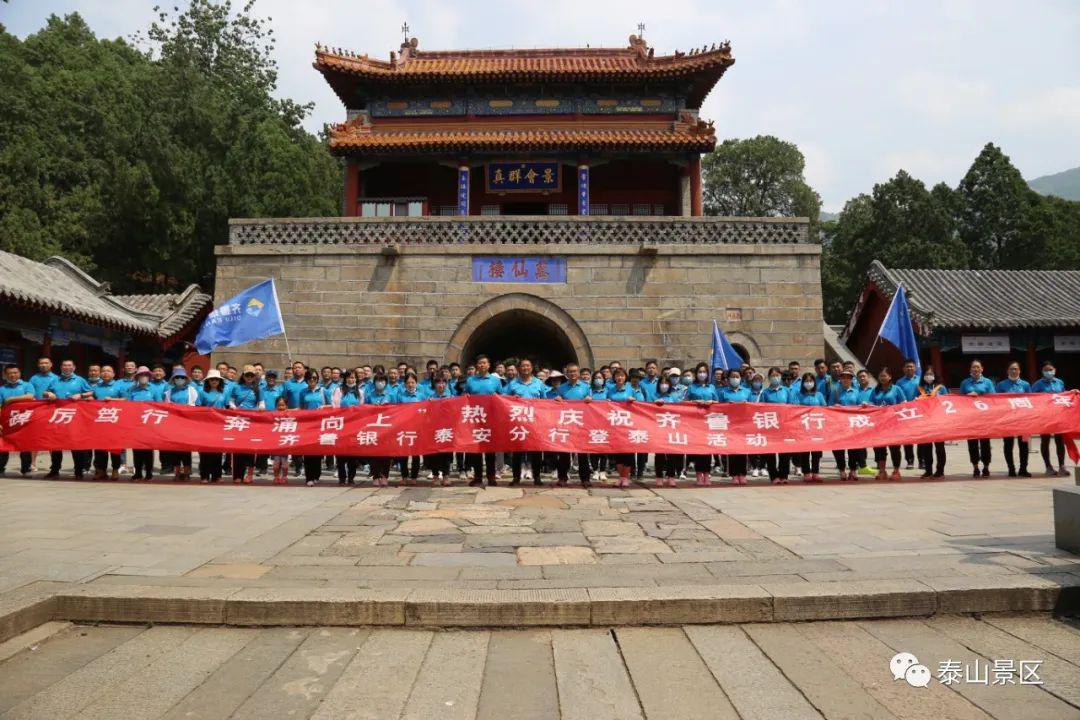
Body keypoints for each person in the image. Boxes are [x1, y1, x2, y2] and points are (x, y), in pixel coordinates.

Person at [42, 359, 94, 479]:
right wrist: (48, 394)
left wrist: (81, 395)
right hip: (58, 416)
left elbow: (91, 392)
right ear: (61, 367)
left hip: (75, 416)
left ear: (74, 367)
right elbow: (45, 392)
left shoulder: (80, 380)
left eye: (69, 365)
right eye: (64, 365)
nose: (67, 367)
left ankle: (78, 471)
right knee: (56, 444)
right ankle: (54, 470)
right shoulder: (55, 380)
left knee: (75, 444)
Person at [503, 358, 547, 486]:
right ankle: (516, 477)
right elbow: (503, 398)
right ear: (519, 368)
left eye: (528, 366)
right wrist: (511, 398)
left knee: (537, 452)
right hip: (518, 422)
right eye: (523, 366)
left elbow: (545, 402)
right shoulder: (513, 384)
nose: (525, 368)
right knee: (517, 452)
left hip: (535, 423)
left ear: (532, 368)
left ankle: (537, 477)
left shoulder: (539, 383)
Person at [463, 355, 503, 487]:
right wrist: (466, 396)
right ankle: (478, 477)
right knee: (476, 450)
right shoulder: (470, 380)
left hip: (491, 419)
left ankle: (491, 476)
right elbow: (465, 396)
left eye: (484, 363)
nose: (482, 365)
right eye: (479, 363)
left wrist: (497, 397)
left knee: (490, 450)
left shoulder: (495, 380)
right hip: (475, 420)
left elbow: (502, 398)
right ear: (477, 366)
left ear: (488, 365)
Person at [553, 363, 594, 487]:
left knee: (582, 454)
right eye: (570, 372)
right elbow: (557, 401)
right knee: (565, 453)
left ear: (578, 373)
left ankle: (585, 479)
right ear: (566, 374)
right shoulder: (561, 388)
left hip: (581, 423)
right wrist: (558, 400)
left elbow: (591, 401)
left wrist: (589, 399)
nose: (573, 374)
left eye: (575, 371)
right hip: (566, 424)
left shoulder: (586, 387)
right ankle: (562, 477)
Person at [866, 368, 906, 481]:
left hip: (893, 424)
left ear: (890, 377)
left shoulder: (897, 389)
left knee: (894, 448)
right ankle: (882, 470)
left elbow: (903, 403)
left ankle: (896, 470)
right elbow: (871, 402)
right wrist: (868, 405)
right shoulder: (875, 390)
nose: (882, 378)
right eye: (880, 376)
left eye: (884, 376)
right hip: (879, 424)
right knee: (879, 448)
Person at [606, 367, 643, 487]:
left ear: (625, 377)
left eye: (621, 375)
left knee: (628, 453)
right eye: (617, 376)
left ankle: (626, 477)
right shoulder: (610, 390)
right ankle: (620, 476)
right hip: (615, 425)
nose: (619, 378)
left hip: (628, 425)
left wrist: (634, 401)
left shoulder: (631, 389)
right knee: (618, 453)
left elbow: (641, 403)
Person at [1032, 361, 1070, 477]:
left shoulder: (1060, 382)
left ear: (1055, 370)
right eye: (1046, 370)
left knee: (1060, 441)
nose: (1049, 372)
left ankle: (1062, 466)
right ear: (1042, 371)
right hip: (1045, 417)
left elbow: (1064, 397)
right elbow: (1032, 399)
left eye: (1051, 369)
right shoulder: (1038, 384)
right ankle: (1048, 466)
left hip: (1059, 416)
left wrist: (1073, 393)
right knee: (1045, 441)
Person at [959, 359, 995, 477]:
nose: (975, 369)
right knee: (972, 444)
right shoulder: (965, 383)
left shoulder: (988, 382)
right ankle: (975, 467)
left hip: (984, 418)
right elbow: (959, 399)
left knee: (985, 443)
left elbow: (993, 399)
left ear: (982, 369)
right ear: (970, 369)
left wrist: (979, 396)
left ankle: (986, 466)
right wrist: (967, 396)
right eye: (973, 367)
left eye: (978, 367)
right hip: (970, 418)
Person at [227, 366, 263, 484]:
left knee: (251, 449)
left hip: (252, 422)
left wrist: (260, 408)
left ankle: (250, 474)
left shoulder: (257, 389)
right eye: (247, 375)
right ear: (243, 376)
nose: (249, 377)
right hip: (239, 421)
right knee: (238, 449)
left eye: (251, 375)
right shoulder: (236, 387)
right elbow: (231, 401)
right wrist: (233, 407)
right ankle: (238, 475)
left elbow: (261, 403)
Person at [996, 361, 1032, 477]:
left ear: (1019, 371)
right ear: (1007, 371)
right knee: (1008, 444)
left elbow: (1031, 400)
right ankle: (1011, 469)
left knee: (1024, 445)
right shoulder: (1001, 385)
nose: (1013, 371)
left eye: (1016, 369)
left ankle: (1023, 469)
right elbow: (996, 402)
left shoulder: (1026, 385)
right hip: (1008, 420)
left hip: (1023, 420)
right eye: (1011, 369)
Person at [685, 362, 719, 486]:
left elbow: (718, 402)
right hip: (696, 422)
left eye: (704, 372)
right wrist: (695, 401)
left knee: (708, 449)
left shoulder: (711, 387)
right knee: (699, 449)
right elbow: (685, 402)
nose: (702, 374)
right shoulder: (691, 387)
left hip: (708, 421)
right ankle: (699, 474)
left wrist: (712, 402)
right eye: (700, 372)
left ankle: (707, 474)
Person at [90, 365, 125, 480]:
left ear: (113, 374)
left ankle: (115, 470)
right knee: (100, 448)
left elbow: (126, 400)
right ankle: (101, 471)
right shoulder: (96, 387)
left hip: (115, 421)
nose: (105, 373)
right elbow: (92, 400)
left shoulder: (119, 386)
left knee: (115, 448)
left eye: (108, 371)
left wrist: (113, 400)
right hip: (100, 422)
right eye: (103, 371)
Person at [789, 371, 826, 482]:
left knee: (816, 452)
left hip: (816, 427)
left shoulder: (819, 395)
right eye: (806, 381)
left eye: (811, 381)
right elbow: (794, 408)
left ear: (814, 383)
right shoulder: (797, 394)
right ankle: (806, 472)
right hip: (803, 427)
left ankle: (816, 472)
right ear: (803, 383)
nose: (809, 383)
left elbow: (824, 408)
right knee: (805, 451)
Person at [164, 367, 199, 481]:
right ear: (173, 380)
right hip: (174, 423)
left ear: (186, 379)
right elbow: (166, 406)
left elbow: (195, 405)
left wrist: (185, 408)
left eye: (182, 377)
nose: (179, 379)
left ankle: (187, 471)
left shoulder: (191, 390)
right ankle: (177, 471)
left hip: (186, 422)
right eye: (177, 377)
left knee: (186, 449)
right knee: (175, 449)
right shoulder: (169, 392)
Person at [759, 367, 793, 484]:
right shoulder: (765, 392)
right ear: (769, 378)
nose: (775, 377)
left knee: (785, 452)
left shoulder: (786, 391)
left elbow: (792, 406)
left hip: (784, 425)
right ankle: (773, 476)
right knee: (771, 453)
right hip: (771, 425)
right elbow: (761, 408)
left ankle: (784, 475)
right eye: (773, 375)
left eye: (777, 375)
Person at [828, 369, 863, 481]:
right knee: (839, 448)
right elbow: (829, 406)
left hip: (852, 425)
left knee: (854, 448)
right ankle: (842, 470)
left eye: (848, 377)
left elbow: (860, 405)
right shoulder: (835, 391)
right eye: (843, 377)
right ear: (840, 379)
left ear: (851, 380)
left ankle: (853, 469)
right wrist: (835, 406)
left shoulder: (856, 392)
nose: (846, 379)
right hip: (839, 424)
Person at [718, 368, 751, 484]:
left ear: (741, 378)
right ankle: (734, 474)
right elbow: (718, 407)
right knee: (732, 450)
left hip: (743, 424)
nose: (735, 379)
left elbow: (752, 407)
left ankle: (743, 474)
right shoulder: (723, 392)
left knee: (742, 450)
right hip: (730, 424)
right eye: (733, 376)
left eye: (737, 376)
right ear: (728, 378)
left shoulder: (747, 391)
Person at [0, 364, 34, 476]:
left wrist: (11, 399)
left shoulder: (27, 385)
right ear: (5, 375)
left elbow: (30, 396)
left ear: (19, 373)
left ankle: (26, 469)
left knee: (25, 447)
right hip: (7, 422)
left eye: (15, 372)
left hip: (24, 421)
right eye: (10, 373)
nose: (12, 375)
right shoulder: (2, 389)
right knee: (3, 447)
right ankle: (1, 468)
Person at [125, 366, 158, 481]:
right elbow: (128, 405)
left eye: (145, 375)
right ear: (137, 377)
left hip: (150, 424)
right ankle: (138, 472)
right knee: (137, 449)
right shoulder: (132, 390)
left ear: (149, 377)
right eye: (141, 375)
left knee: (148, 449)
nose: (143, 377)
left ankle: (149, 472)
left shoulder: (154, 390)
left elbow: (160, 405)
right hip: (136, 424)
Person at [332, 369, 364, 486]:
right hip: (342, 426)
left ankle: (351, 477)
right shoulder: (339, 390)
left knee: (352, 455)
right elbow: (335, 407)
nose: (352, 380)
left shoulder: (360, 392)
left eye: (354, 378)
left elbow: (362, 408)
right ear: (345, 379)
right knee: (340, 455)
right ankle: (342, 477)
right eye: (350, 378)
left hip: (354, 427)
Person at [915, 366, 948, 478]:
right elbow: (912, 402)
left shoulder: (941, 388)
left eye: (931, 374)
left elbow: (947, 402)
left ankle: (940, 471)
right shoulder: (920, 388)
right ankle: (928, 470)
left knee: (939, 447)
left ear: (935, 376)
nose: (929, 376)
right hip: (925, 422)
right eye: (926, 374)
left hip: (938, 421)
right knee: (926, 448)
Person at [394, 373, 426, 486]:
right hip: (404, 427)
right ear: (405, 384)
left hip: (417, 428)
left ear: (416, 383)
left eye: (412, 382)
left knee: (415, 454)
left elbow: (425, 409)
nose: (410, 385)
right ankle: (404, 476)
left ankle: (414, 476)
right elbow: (396, 410)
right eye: (408, 383)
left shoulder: (421, 395)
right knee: (403, 454)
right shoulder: (401, 395)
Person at [298, 369, 329, 487]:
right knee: (307, 451)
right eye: (310, 378)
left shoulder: (323, 391)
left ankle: (316, 475)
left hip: (320, 424)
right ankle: (308, 477)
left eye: (315, 378)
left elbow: (331, 405)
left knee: (317, 451)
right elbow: (301, 407)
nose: (312, 380)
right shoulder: (303, 392)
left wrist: (323, 407)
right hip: (307, 425)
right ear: (307, 380)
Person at [364, 372, 395, 487]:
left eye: (382, 381)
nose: (380, 383)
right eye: (378, 381)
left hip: (387, 427)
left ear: (386, 383)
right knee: (374, 454)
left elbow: (396, 410)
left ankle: (384, 476)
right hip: (373, 427)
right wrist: (373, 408)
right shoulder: (370, 395)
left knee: (386, 454)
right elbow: (364, 409)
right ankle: (375, 476)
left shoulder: (390, 395)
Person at [197, 370, 227, 483]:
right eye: (212, 379)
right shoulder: (202, 392)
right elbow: (198, 407)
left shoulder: (223, 393)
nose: (214, 381)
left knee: (217, 452)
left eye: (216, 379)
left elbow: (226, 407)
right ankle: (204, 475)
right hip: (206, 425)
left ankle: (216, 475)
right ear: (208, 381)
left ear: (220, 381)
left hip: (218, 426)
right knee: (205, 452)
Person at [652, 374, 683, 487]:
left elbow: (679, 409)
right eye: (662, 383)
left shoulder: (673, 397)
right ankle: (659, 476)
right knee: (659, 454)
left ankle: (671, 476)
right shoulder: (653, 395)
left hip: (671, 428)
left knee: (671, 454)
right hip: (658, 428)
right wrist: (655, 404)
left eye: (666, 383)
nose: (664, 385)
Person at [426, 375, 455, 485]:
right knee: (434, 453)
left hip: (447, 428)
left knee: (447, 453)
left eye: (443, 383)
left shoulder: (451, 397)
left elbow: (455, 411)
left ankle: (446, 475)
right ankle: (436, 476)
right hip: (434, 429)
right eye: (438, 383)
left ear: (446, 385)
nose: (441, 385)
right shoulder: (430, 398)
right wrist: (430, 403)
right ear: (435, 385)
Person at [894, 358, 921, 469]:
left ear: (915, 368)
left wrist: (918, 399)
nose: (909, 368)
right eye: (907, 366)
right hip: (904, 413)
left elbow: (925, 393)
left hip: (919, 412)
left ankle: (922, 460)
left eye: (911, 366)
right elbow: (896, 395)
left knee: (921, 437)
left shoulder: (920, 380)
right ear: (903, 369)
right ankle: (910, 461)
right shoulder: (899, 382)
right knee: (907, 438)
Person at [270, 395, 292, 485]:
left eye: (283, 405)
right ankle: (276, 477)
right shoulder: (272, 414)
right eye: (279, 405)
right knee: (276, 463)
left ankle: (284, 476)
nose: (281, 407)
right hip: (275, 443)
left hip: (285, 441)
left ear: (286, 406)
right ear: (276, 406)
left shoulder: (290, 415)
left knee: (284, 462)